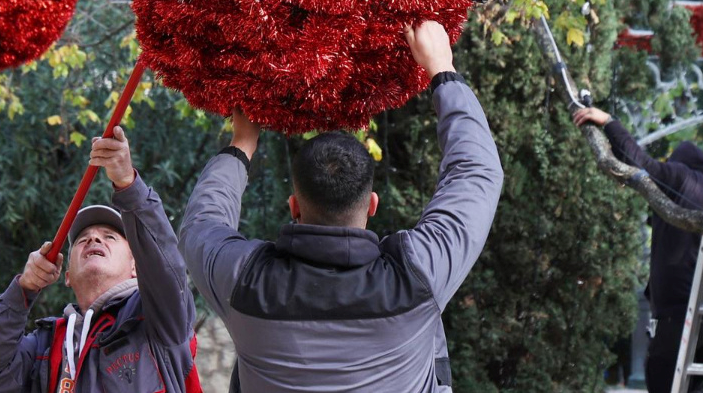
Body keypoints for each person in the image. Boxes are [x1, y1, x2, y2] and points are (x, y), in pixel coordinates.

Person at [179, 20, 504, 392]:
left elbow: (202, 224)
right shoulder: (418, 276)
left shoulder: (245, 282)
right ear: (372, 206)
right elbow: (477, 174)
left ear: (294, 207)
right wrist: (442, 70)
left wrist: (242, 143)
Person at [0, 126, 203, 393]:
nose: (94, 239)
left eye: (109, 237)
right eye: (82, 238)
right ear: (67, 276)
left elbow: (166, 269)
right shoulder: (46, 344)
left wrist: (128, 184)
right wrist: (23, 289)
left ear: (136, 266)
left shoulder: (157, 314)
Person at [572, 106, 703, 393]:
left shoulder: (678, 178)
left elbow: (637, 163)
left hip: (682, 313)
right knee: (692, 387)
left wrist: (609, 122)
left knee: (663, 381)